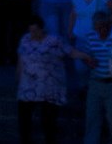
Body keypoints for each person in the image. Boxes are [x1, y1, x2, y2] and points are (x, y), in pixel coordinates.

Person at [70, 6, 112, 144]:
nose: (99, 32)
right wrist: (88, 61)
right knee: (91, 120)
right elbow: (85, 55)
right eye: (97, 28)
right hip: (95, 83)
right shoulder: (91, 36)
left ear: (108, 25)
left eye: (102, 28)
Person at [14, 16, 67, 144]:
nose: (32, 34)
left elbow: (69, 52)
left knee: (48, 121)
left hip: (48, 86)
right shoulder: (25, 40)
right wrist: (19, 80)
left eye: (35, 31)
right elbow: (21, 60)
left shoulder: (54, 40)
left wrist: (86, 57)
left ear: (41, 29)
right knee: (24, 118)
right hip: (28, 86)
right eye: (30, 31)